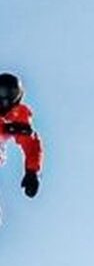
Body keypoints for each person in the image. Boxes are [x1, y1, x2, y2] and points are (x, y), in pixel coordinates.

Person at [0, 73, 43, 205]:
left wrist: (32, 172)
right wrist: (5, 128)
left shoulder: (18, 114)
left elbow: (31, 144)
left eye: (5, 97)